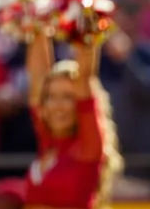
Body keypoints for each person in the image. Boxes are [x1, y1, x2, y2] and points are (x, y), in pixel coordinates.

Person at [23, 31, 122, 209]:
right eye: (51, 97)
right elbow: (38, 78)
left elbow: (84, 76)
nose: (57, 106)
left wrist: (84, 14)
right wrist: (39, 20)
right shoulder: (48, 142)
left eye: (68, 97)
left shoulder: (87, 147)